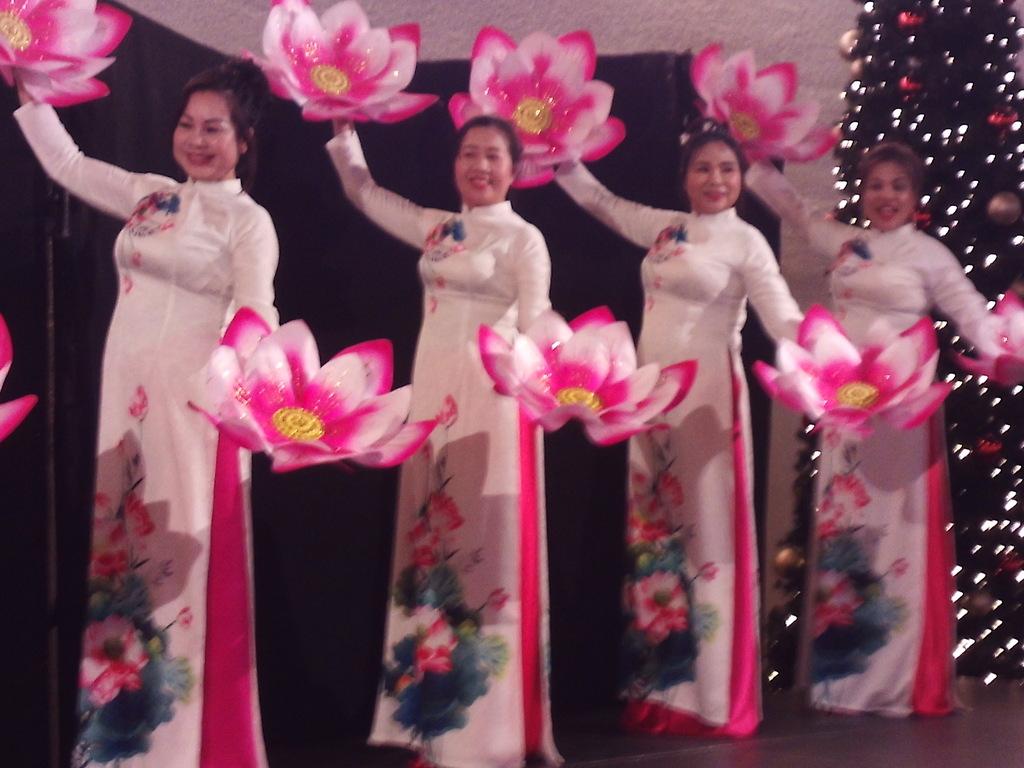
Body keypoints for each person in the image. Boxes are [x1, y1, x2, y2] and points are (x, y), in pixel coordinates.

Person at [13, 59, 279, 766]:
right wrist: (28, 91)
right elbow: (67, 163)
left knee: (174, 564)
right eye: (187, 125)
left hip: (192, 412)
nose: (196, 139)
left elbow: (258, 310)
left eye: (214, 129)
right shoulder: (153, 198)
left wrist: (242, 376)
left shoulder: (248, 223)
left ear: (244, 138)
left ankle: (179, 747)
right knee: (122, 556)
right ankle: (119, 744)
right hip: (124, 408)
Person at [327, 115, 559, 768]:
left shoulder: (525, 239)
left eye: (494, 156)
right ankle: (429, 714)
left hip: (492, 395)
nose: (480, 166)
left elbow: (536, 314)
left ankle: (486, 731)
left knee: (484, 542)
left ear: (516, 170)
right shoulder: (437, 226)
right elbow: (366, 194)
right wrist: (346, 136)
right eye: (469, 154)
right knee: (431, 541)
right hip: (432, 396)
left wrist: (513, 351)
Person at [555, 127, 803, 737]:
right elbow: (602, 202)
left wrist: (823, 366)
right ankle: (662, 687)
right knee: (655, 535)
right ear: (685, 177)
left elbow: (782, 315)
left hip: (707, 402)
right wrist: (557, 152)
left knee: (707, 537)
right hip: (649, 401)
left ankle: (712, 697)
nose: (716, 179)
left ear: (741, 179)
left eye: (727, 169)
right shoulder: (666, 229)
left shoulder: (746, 241)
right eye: (703, 168)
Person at [747, 141, 1002, 716]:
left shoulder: (930, 255)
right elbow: (793, 208)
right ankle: (843, 678)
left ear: (915, 196)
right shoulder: (843, 242)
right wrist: (753, 157)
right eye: (877, 185)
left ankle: (893, 680)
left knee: (897, 536)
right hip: (844, 412)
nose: (886, 196)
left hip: (903, 414)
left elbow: (971, 314)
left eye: (899, 186)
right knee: (846, 533)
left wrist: (1004, 352)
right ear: (863, 191)